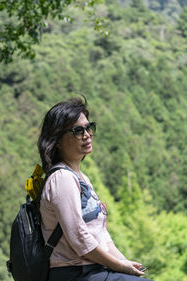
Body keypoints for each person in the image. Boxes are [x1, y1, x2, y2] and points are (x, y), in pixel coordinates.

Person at [37, 97, 151, 281]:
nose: (87, 134)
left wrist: (123, 262)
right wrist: (118, 266)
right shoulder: (61, 179)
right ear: (57, 140)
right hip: (74, 273)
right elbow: (79, 238)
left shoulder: (81, 178)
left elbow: (101, 234)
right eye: (77, 131)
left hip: (93, 270)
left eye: (88, 127)